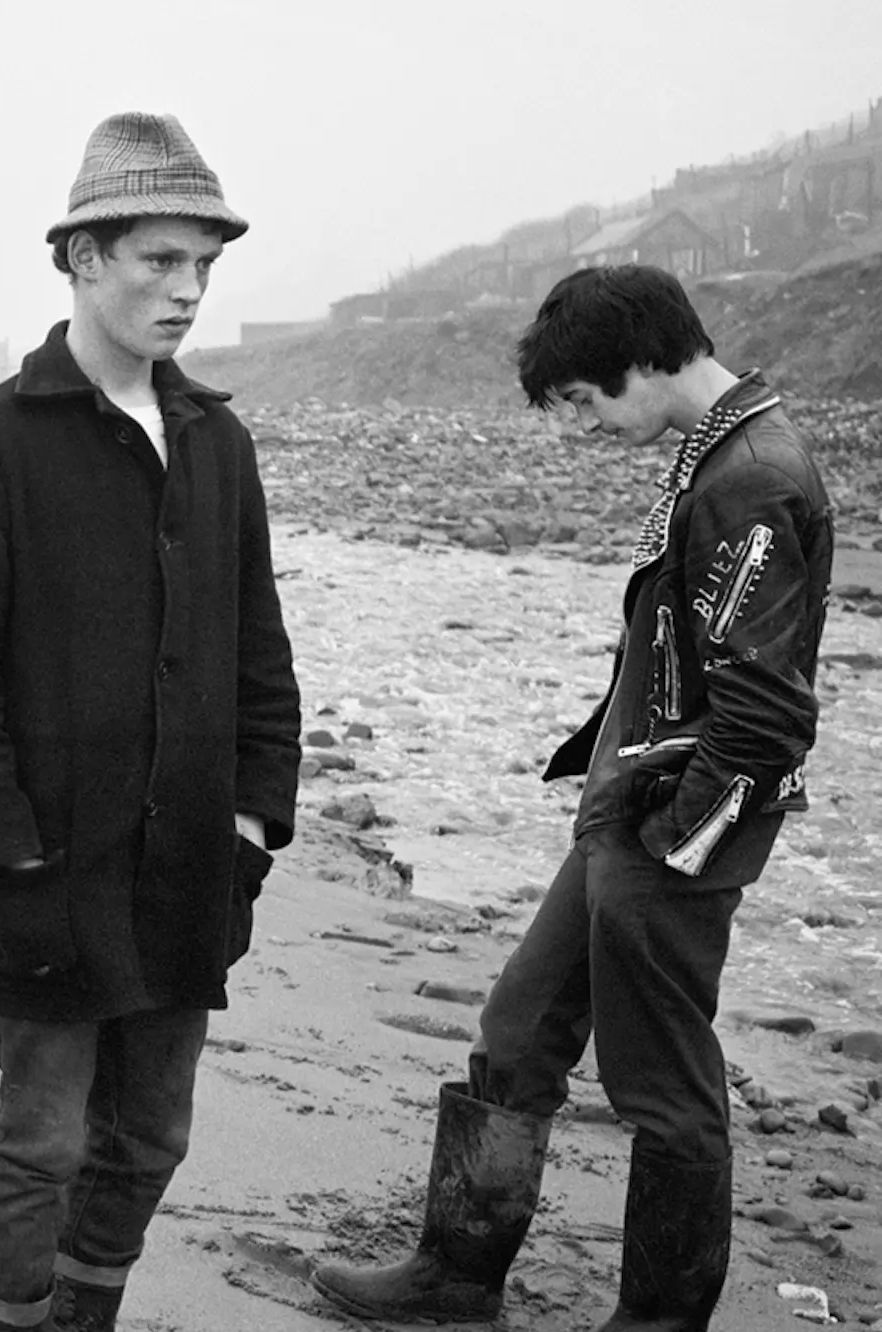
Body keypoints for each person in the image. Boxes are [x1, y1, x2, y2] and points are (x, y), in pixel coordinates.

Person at [309, 264, 834, 1331]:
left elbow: (768, 718)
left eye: (585, 403)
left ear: (646, 361)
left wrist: (669, 849)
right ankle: (456, 1280)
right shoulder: (717, 453)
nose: (580, 429)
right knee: (516, 1032)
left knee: (661, 1089)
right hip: (630, 815)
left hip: (670, 835)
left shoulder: (749, 477)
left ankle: (656, 1323)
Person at [0, 111, 303, 1332]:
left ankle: (86, 1318)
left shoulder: (214, 440)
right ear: (81, 258)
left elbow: (258, 651)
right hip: (46, 870)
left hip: (190, 863)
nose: (187, 292)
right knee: (40, 1144)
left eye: (203, 268)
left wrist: (249, 823)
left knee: (151, 1134)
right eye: (159, 261)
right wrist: (3, 851)